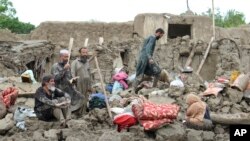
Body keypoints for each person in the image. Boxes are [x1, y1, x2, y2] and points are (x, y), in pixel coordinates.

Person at [133, 28, 165, 93]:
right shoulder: (153, 38)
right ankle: (153, 88)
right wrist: (150, 58)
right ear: (158, 33)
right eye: (161, 35)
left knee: (140, 74)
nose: (161, 37)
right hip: (146, 59)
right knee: (158, 72)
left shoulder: (149, 37)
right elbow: (148, 48)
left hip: (142, 58)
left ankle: (133, 91)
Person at [71, 47, 92, 114]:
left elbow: (90, 74)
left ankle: (83, 112)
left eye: (86, 52)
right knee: (79, 98)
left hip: (87, 84)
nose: (85, 54)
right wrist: (74, 84)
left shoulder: (88, 62)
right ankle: (76, 112)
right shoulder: (75, 63)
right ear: (80, 53)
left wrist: (90, 85)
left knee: (85, 98)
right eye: (83, 52)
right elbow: (72, 73)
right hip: (78, 84)